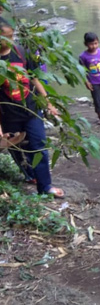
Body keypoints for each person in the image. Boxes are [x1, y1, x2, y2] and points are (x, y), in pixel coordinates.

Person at [0, 17, 64, 198]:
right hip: (8, 114)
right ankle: (28, 174)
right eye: (5, 37)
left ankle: (45, 186)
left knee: (39, 146)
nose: (10, 41)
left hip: (30, 108)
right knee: (17, 148)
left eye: (12, 36)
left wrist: (48, 102)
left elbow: (34, 78)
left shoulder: (22, 52)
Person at [79, 32, 100, 125]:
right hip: (93, 82)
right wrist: (86, 82)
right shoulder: (83, 56)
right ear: (86, 44)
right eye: (91, 44)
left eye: (96, 43)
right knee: (97, 100)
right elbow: (82, 71)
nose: (94, 46)